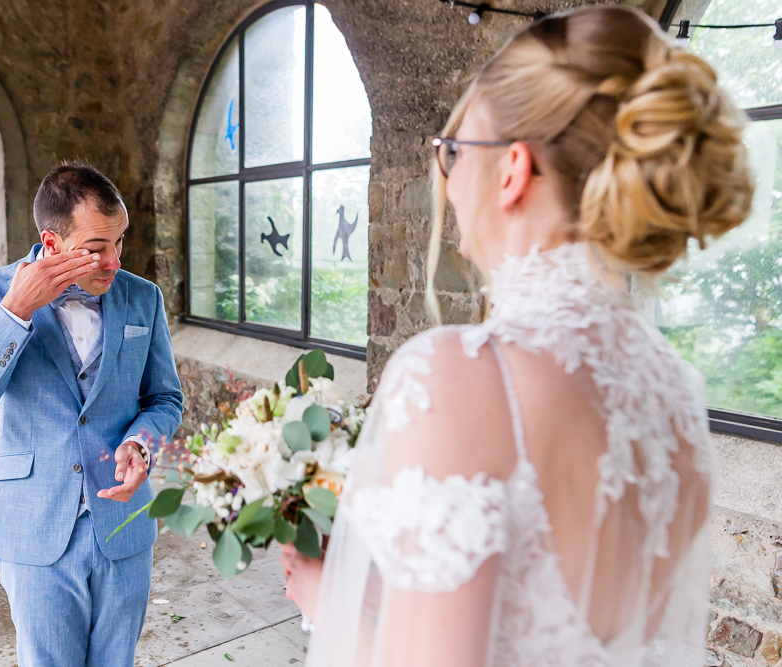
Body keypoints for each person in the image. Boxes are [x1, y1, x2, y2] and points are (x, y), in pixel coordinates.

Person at [280, 6, 753, 666]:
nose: (447, 177)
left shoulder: (456, 376)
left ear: (511, 169)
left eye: (453, 151)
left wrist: (325, 601)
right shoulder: (675, 394)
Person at [0, 162, 183, 666]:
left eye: (120, 242)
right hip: (33, 525)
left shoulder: (143, 297)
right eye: (97, 248)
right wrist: (15, 314)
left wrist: (142, 443)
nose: (114, 261)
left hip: (122, 524)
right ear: (51, 244)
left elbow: (165, 399)